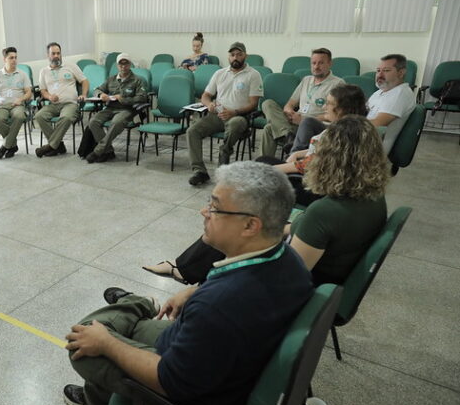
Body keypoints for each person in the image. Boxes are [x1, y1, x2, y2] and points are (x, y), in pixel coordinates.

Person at [64, 161, 313, 405]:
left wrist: (107, 345)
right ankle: (135, 307)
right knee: (116, 327)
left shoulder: (219, 306)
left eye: (216, 207)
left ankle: (136, 305)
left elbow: (169, 381)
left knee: (85, 339)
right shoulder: (288, 259)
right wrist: (195, 291)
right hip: (218, 363)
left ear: (250, 225)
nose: (204, 211)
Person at [144, 116, 389, 288]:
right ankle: (186, 270)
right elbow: (317, 231)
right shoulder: (372, 197)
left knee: (235, 225)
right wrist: (276, 229)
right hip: (330, 275)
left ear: (332, 160)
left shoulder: (325, 211)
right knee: (242, 222)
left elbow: (286, 279)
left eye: (320, 153)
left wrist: (241, 251)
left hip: (304, 287)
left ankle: (191, 282)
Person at [187, 42, 263, 186]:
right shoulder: (220, 73)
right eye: (232, 55)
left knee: (235, 123)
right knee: (192, 131)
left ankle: (223, 159)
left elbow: (253, 103)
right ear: (229, 57)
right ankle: (200, 171)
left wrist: (234, 112)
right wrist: (209, 104)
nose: (235, 57)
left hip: (239, 116)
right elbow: (205, 95)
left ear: (245, 56)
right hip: (218, 115)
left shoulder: (253, 75)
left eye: (239, 55)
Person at [261, 48, 343, 157]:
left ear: (329, 63)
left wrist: (305, 120)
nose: (316, 67)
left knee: (269, 129)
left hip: (316, 126)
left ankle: (286, 141)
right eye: (313, 63)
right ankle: (287, 136)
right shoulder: (306, 80)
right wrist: (290, 112)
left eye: (321, 63)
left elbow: (337, 115)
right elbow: (290, 103)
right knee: (267, 104)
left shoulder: (338, 84)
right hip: (295, 121)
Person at [273, 84, 367, 176]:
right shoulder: (346, 128)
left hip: (317, 183)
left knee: (264, 165)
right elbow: (318, 151)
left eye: (329, 104)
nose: (324, 107)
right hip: (313, 173)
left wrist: (271, 169)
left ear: (341, 109)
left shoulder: (343, 134)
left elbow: (310, 165)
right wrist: (296, 154)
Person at [85, 53, 147, 163]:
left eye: (126, 64)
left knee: (116, 122)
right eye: (120, 64)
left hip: (126, 110)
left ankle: (98, 151)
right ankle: (108, 151)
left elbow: (141, 98)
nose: (123, 67)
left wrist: (123, 99)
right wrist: (101, 95)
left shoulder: (137, 80)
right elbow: (97, 90)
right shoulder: (111, 79)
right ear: (117, 66)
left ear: (130, 65)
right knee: (93, 121)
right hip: (110, 108)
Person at [34, 43, 88, 157]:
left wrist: (83, 94)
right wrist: (49, 96)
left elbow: (84, 81)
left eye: (58, 53)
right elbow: (43, 91)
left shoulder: (71, 66)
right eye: (53, 53)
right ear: (48, 55)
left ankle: (51, 146)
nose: (56, 56)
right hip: (53, 104)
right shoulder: (43, 71)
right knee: (39, 116)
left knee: (66, 118)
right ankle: (58, 145)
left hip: (70, 104)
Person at [0, 47, 33, 159]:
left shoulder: (22, 74)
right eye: (11, 58)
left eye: (16, 57)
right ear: (4, 59)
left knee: (20, 116)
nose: (14, 60)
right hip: (3, 105)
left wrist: (20, 99)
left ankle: (5, 146)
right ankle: (12, 145)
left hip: (17, 104)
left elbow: (29, 93)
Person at [366, 53, 416, 154]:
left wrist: (344, 124)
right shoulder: (381, 91)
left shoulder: (400, 94)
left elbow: (378, 124)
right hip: (363, 140)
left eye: (386, 71)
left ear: (401, 73)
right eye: (378, 71)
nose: (380, 75)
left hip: (372, 150)